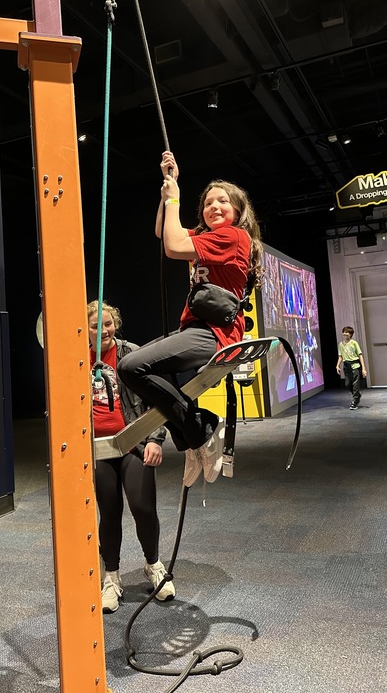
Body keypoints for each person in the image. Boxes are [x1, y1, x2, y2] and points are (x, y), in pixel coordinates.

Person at [117, 150, 263, 488]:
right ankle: (192, 444)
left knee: (130, 367)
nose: (214, 207)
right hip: (196, 328)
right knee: (140, 369)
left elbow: (171, 245)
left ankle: (203, 428)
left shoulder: (233, 236)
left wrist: (175, 198)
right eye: (208, 203)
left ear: (238, 211)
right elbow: (162, 231)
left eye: (222, 202)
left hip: (215, 332)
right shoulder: (208, 238)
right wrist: (169, 188)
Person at [88, 301, 175, 614]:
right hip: (97, 447)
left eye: (108, 324)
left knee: (142, 507)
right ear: (86, 329)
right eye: (97, 326)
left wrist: (155, 438)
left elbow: (158, 397)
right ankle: (111, 578)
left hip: (133, 442)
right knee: (109, 513)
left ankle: (153, 565)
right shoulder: (75, 361)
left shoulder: (132, 354)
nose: (104, 331)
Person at [336, 327, 367, 410]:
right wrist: (337, 365)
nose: (345, 334)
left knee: (355, 384)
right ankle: (357, 395)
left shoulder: (354, 343)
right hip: (346, 366)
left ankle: (355, 402)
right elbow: (340, 356)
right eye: (344, 332)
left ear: (351, 334)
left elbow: (360, 355)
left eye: (347, 333)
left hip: (355, 365)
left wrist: (363, 369)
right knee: (347, 384)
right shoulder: (341, 344)